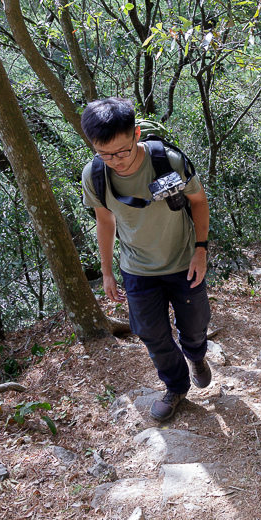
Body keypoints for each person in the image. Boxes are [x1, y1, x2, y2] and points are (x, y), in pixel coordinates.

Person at [80, 97, 211, 422]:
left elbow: (199, 201)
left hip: (182, 261)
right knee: (151, 334)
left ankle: (195, 355)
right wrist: (107, 272)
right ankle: (176, 387)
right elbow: (105, 220)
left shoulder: (168, 161)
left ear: (136, 133)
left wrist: (201, 250)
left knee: (194, 328)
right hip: (137, 269)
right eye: (105, 153)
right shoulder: (96, 174)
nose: (117, 161)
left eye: (123, 151)